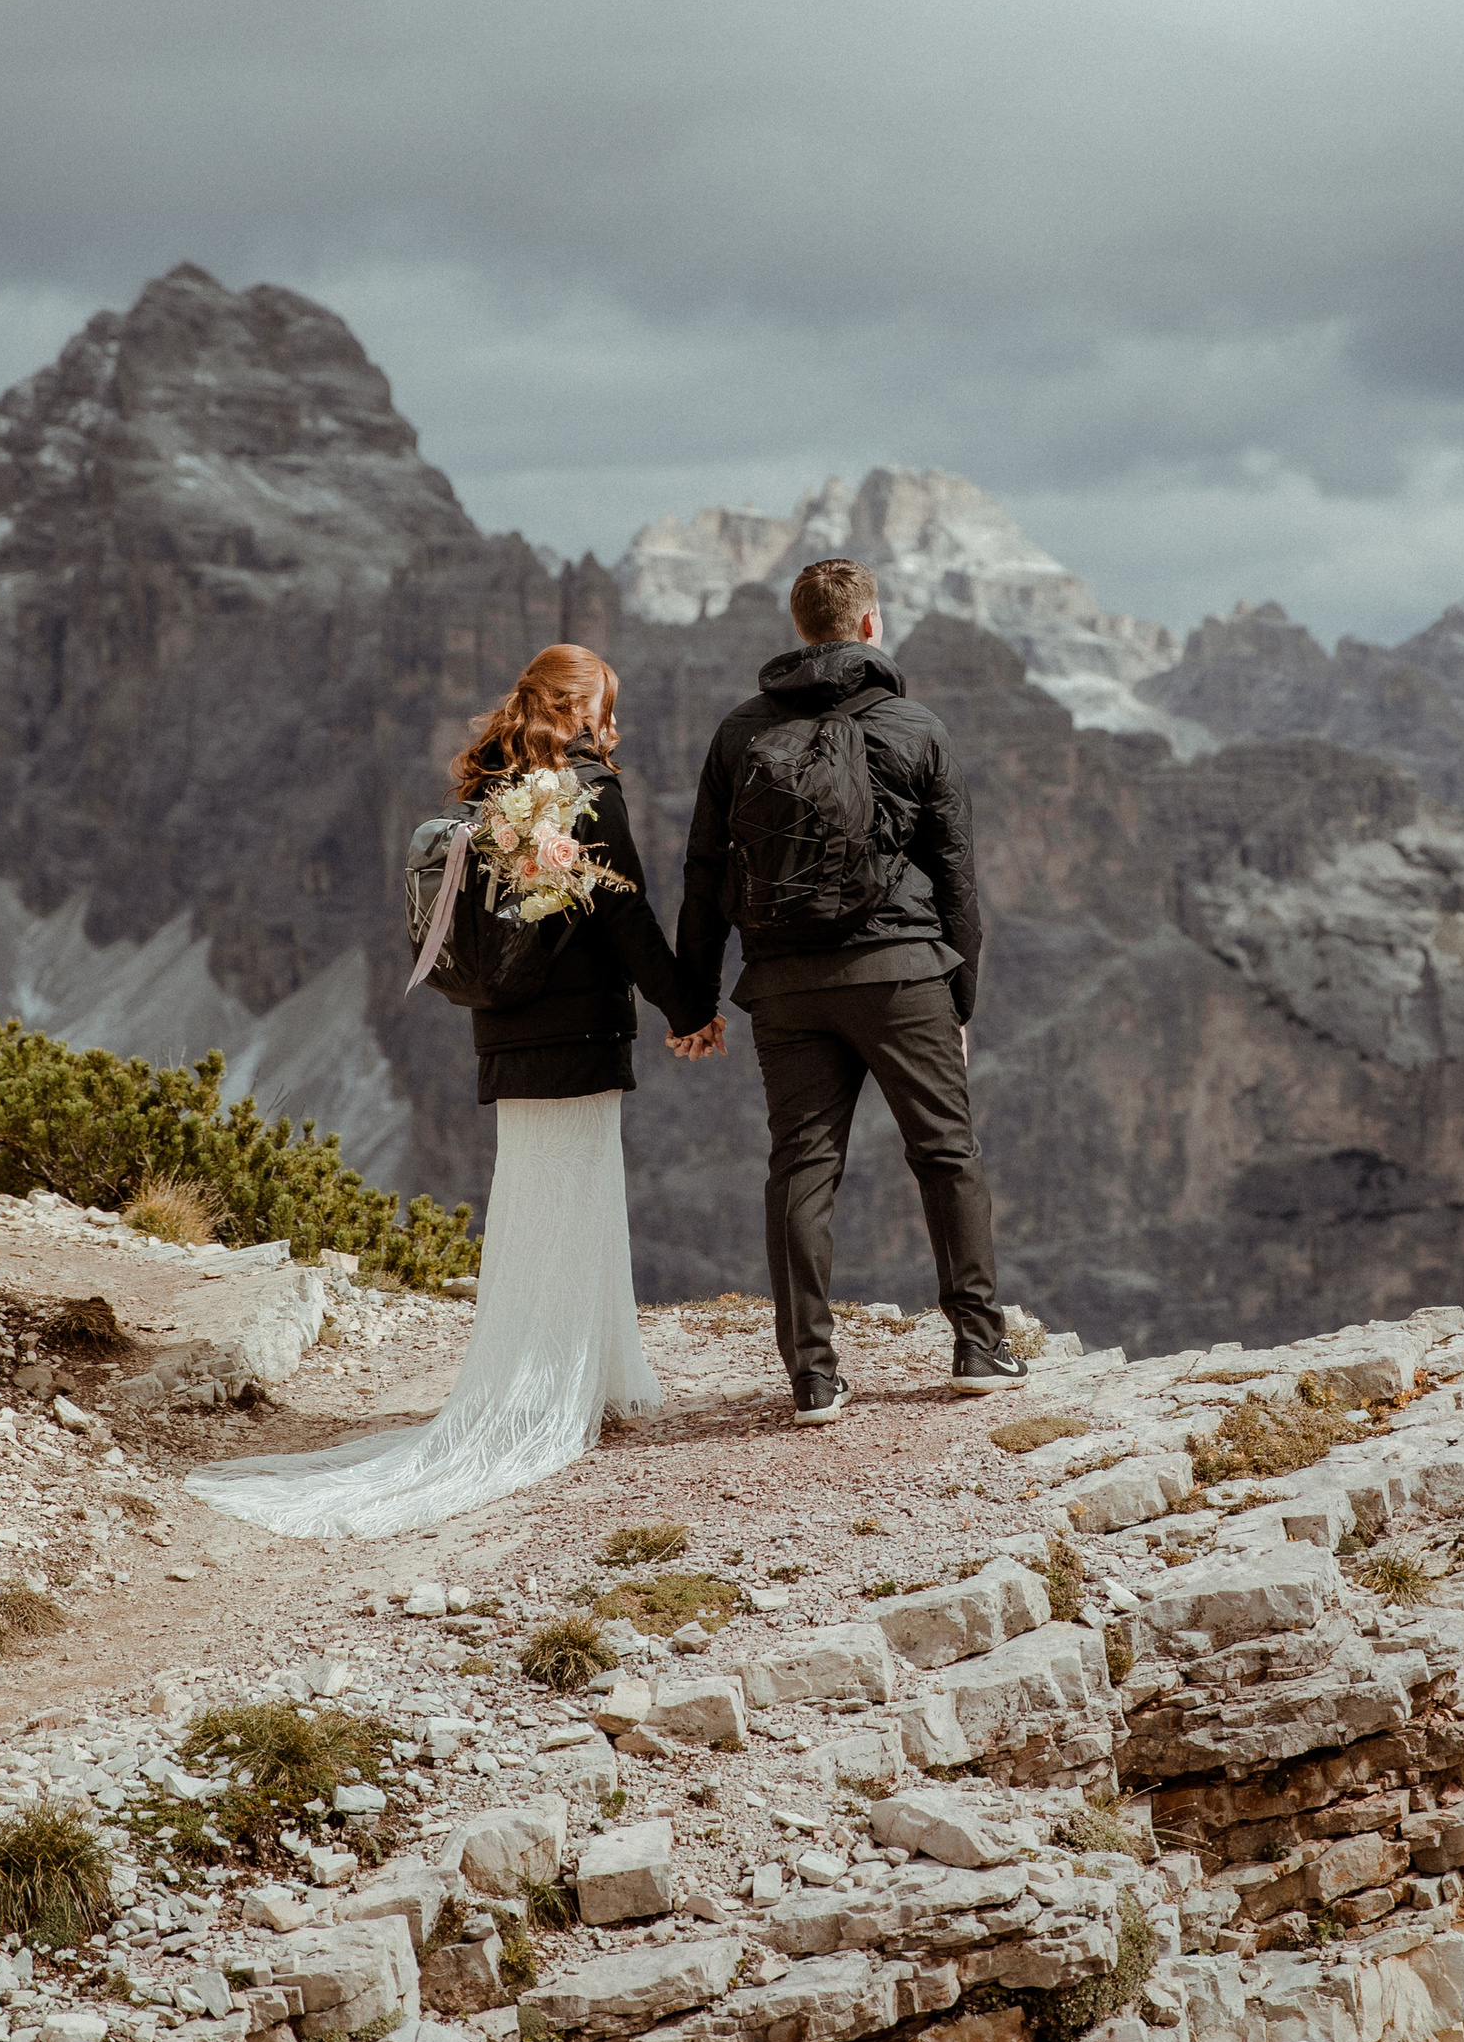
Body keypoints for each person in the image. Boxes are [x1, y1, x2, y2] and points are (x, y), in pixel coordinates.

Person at [187, 644, 724, 1537]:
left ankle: (573, 1375)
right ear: (583, 708)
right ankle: (557, 1391)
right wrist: (688, 1009)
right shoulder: (585, 792)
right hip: (582, 1033)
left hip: (508, 1031)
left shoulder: (488, 795)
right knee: (581, 1192)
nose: (612, 723)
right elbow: (625, 917)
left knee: (535, 1197)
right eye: (606, 706)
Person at [673, 556, 1014, 1424]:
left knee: (802, 1167)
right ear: (870, 625)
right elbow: (957, 880)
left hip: (783, 987)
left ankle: (814, 1377)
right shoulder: (917, 727)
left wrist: (694, 1001)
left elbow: (705, 873)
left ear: (798, 628)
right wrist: (958, 997)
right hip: (903, 975)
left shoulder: (738, 733)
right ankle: (978, 1345)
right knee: (945, 1154)